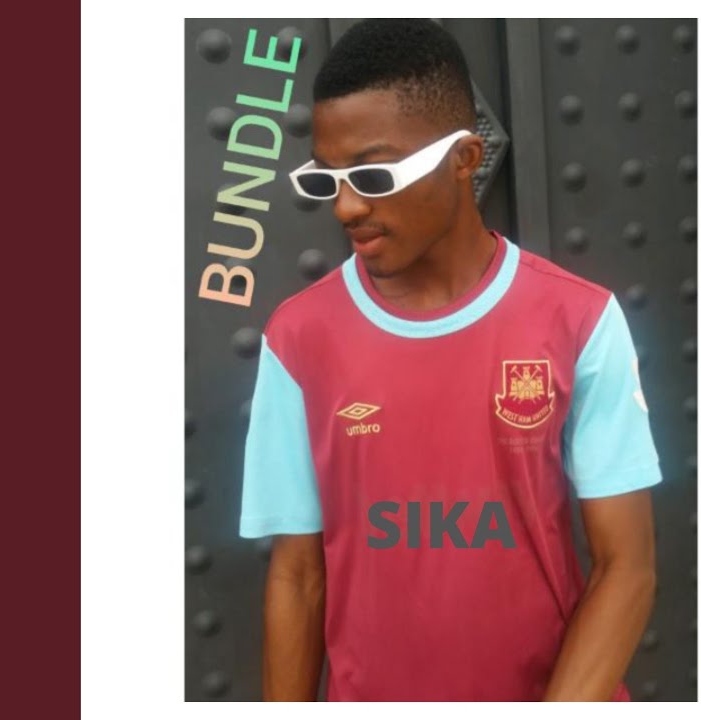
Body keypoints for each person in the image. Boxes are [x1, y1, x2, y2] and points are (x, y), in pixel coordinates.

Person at [239, 18, 661, 702]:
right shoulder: (298, 338)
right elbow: (297, 575)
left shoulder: (578, 321)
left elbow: (627, 568)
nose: (346, 206)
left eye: (372, 175)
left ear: (464, 158)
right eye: (327, 180)